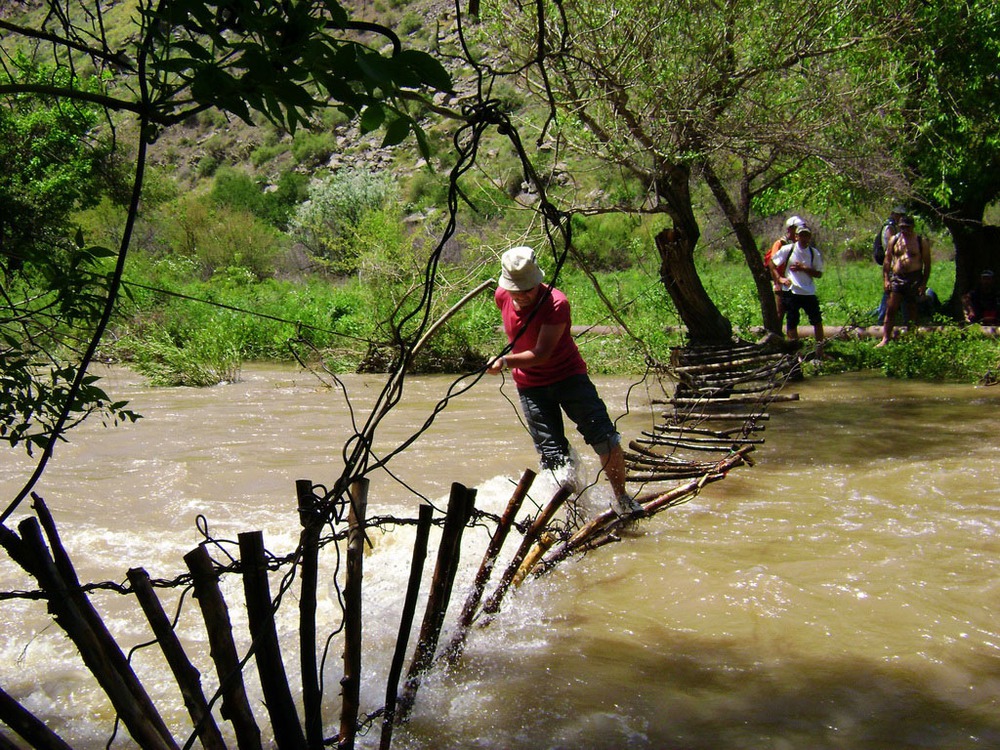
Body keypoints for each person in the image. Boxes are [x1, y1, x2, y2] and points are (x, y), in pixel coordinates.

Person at [486, 246, 643, 518]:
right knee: (552, 455)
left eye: (527, 289)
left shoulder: (556, 303)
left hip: (569, 377)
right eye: (516, 289)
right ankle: (574, 512)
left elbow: (541, 353)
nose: (522, 295)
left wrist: (505, 361)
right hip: (530, 387)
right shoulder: (502, 295)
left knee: (602, 436)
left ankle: (622, 498)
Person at [877, 214, 931, 347]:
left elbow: (927, 264)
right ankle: (885, 338)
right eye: (901, 227)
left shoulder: (920, 241)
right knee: (891, 308)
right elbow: (887, 260)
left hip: (914, 278)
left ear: (912, 227)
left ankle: (911, 338)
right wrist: (886, 279)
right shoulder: (894, 240)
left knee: (912, 309)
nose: (904, 230)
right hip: (897, 278)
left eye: (907, 227)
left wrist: (923, 284)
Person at [771, 225, 824, 343]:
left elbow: (819, 274)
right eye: (801, 235)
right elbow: (772, 264)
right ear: (796, 236)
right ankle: (794, 351)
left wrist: (804, 268)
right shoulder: (788, 249)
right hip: (791, 291)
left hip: (808, 292)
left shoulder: (814, 253)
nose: (804, 238)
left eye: (806, 235)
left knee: (817, 320)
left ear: (809, 237)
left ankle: (820, 350)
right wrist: (779, 279)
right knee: (792, 321)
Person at [764, 215, 803, 330]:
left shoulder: (797, 245)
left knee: (792, 312)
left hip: (791, 284)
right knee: (779, 311)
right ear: (790, 229)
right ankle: (776, 335)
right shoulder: (780, 244)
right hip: (780, 283)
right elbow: (773, 264)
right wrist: (777, 282)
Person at [874, 205, 906, 325]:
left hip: (896, 265)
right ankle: (881, 321)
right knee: (889, 292)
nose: (901, 217)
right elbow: (890, 249)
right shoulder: (889, 227)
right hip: (892, 265)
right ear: (894, 214)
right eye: (900, 215)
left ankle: (904, 320)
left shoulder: (894, 226)